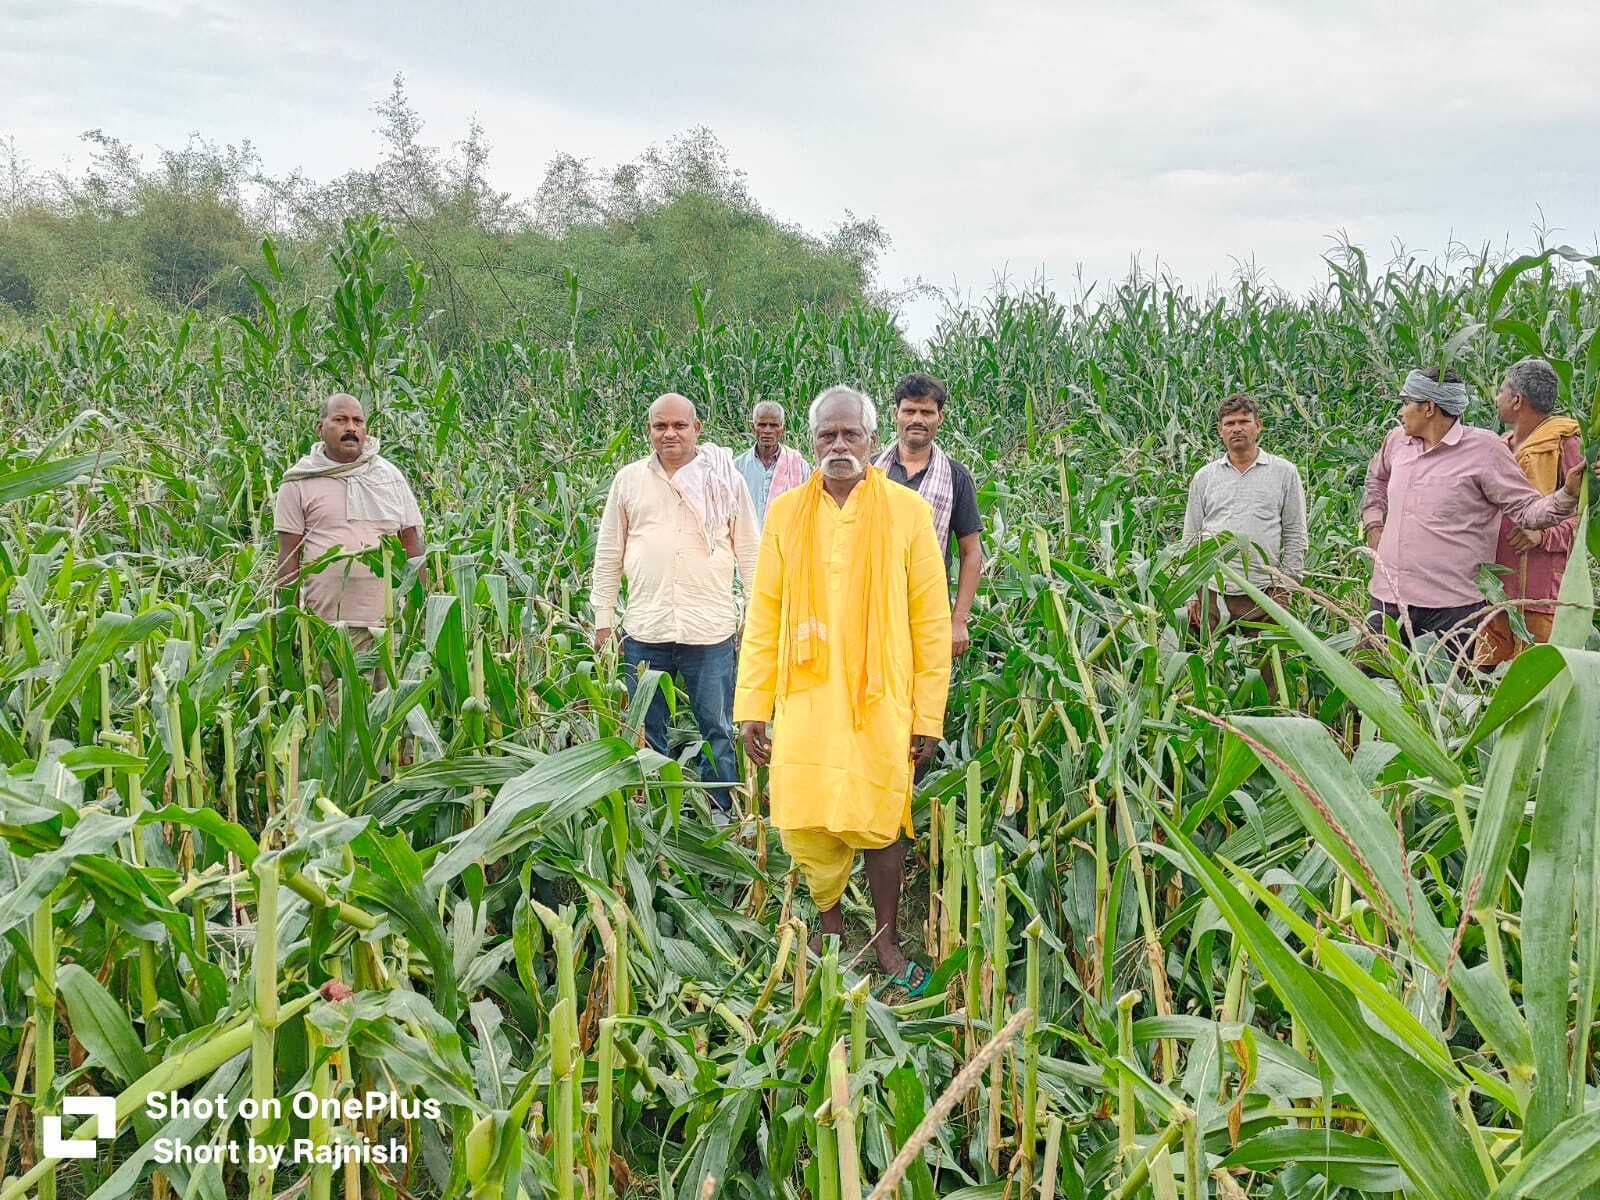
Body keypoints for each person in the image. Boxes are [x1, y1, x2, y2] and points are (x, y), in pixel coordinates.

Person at [735, 386, 951, 993]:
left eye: (850, 435)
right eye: (827, 435)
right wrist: (752, 705)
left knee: (882, 817)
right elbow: (765, 615)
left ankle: (885, 939)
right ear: (811, 442)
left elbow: (931, 623)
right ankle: (831, 928)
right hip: (804, 698)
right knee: (805, 817)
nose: (838, 446)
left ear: (872, 442)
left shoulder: (907, 513)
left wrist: (927, 715)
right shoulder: (784, 514)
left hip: (880, 699)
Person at [591, 393, 759, 816]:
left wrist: (754, 616)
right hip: (646, 630)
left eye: (679, 426)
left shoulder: (725, 480)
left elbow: (750, 553)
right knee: (647, 729)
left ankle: (719, 810)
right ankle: (656, 813)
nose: (670, 434)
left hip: (710, 629)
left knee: (717, 727)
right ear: (649, 430)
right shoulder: (629, 481)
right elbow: (609, 552)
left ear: (697, 428)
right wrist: (603, 619)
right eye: (660, 426)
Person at [1361, 367, 1593, 666]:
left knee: (1442, 702)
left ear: (1429, 407)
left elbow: (1527, 510)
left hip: (1452, 611)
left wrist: (1568, 495)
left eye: (1407, 402)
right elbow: (1375, 479)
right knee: (1365, 694)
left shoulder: (1485, 450)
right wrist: (1374, 521)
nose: (1401, 411)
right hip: (1387, 599)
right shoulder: (1396, 442)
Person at [275, 393, 426, 717]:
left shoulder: (388, 476)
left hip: (390, 623)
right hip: (330, 626)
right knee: (341, 719)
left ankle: (394, 771)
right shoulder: (298, 482)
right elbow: (289, 558)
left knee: (395, 718)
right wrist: (285, 623)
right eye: (340, 420)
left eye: (358, 421)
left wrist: (425, 608)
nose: (351, 428)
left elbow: (412, 544)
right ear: (321, 427)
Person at [1482, 357, 1586, 662]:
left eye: (1501, 390)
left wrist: (1543, 536)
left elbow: (1585, 519)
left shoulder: (1566, 443)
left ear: (1517, 400)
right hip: (1494, 591)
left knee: (1533, 687)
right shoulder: (1500, 446)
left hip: (1539, 597)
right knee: (1482, 682)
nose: (1496, 397)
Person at [874, 373, 983, 656]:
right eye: (909, 410)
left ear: (940, 417)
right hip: (870, 605)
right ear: (895, 414)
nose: (917, 419)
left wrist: (958, 620)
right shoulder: (870, 471)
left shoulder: (955, 477)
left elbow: (971, 551)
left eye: (926, 412)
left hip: (928, 608)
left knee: (925, 695)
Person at [1182, 393, 1307, 633]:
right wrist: (1190, 592)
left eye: (1243, 422)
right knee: (1211, 665)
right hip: (1212, 592)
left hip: (1265, 591)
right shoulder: (1205, 477)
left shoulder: (1284, 473)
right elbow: (1191, 537)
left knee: (1270, 665)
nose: (1236, 429)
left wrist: (1286, 587)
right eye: (1230, 424)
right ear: (1220, 431)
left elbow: (1295, 534)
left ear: (1258, 426)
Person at [734, 400, 809, 527]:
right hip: (749, 543)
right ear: (753, 428)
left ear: (782, 430)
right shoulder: (737, 467)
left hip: (785, 542)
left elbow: (806, 509)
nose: (767, 430)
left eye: (774, 425)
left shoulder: (799, 466)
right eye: (762, 425)